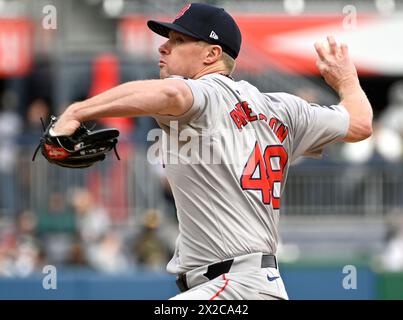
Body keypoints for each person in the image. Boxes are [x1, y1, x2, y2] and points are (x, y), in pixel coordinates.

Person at [50, 3, 373, 300]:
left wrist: (76, 113)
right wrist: (346, 81)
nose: (163, 46)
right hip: (253, 286)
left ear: (212, 54)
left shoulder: (207, 94)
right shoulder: (284, 108)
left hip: (231, 288)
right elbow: (359, 122)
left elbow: (173, 93)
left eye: (178, 40)